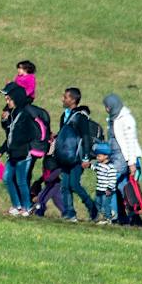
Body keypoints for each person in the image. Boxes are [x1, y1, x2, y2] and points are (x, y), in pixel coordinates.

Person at [54, 87, 97, 221]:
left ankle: (92, 208)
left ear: (73, 100)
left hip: (77, 157)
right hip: (65, 156)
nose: (63, 99)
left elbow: (86, 137)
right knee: (65, 186)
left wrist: (86, 158)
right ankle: (70, 213)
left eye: (65, 97)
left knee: (74, 185)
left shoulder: (80, 117)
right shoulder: (64, 116)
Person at [0, 83, 42, 215]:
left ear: (16, 99)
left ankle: (27, 206)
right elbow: (10, 135)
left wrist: (21, 143)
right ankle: (17, 205)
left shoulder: (24, 115)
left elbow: (31, 133)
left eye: (9, 99)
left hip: (23, 154)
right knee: (6, 178)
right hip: (13, 154)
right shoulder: (13, 113)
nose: (7, 102)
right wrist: (2, 150)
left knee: (21, 181)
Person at [103, 93, 142, 183]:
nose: (106, 109)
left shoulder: (126, 119)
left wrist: (132, 163)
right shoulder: (112, 118)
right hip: (114, 155)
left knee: (111, 182)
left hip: (123, 157)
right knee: (120, 186)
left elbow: (131, 142)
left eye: (108, 106)